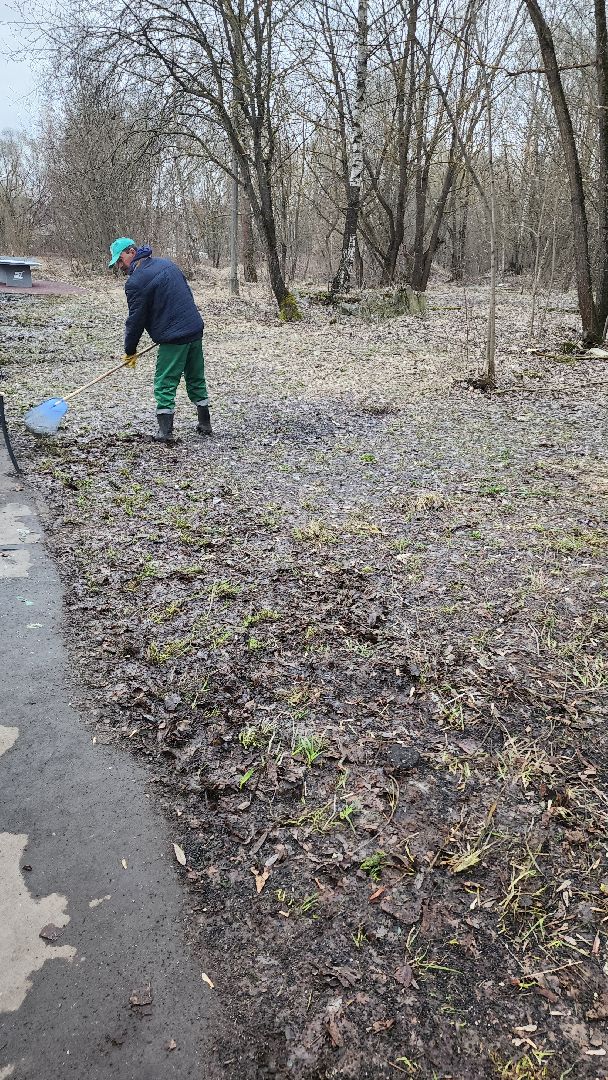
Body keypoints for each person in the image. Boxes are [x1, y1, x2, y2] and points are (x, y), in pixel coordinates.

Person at [108, 237, 212, 442]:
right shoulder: (166, 264)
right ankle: (205, 423)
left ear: (130, 252)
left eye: (119, 261)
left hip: (174, 337)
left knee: (165, 382)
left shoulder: (136, 282)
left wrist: (130, 350)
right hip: (194, 329)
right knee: (196, 377)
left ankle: (165, 433)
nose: (119, 267)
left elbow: (135, 321)